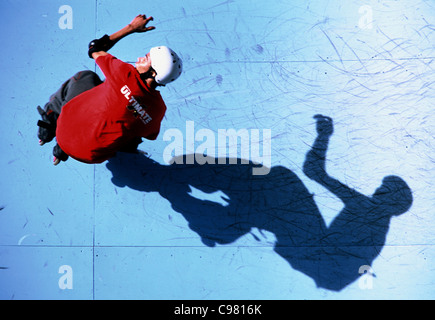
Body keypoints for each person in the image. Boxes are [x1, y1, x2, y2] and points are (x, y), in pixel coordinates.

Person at [37, 14, 182, 165]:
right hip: (90, 156)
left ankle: (49, 122)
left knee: (85, 76)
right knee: (134, 129)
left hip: (63, 132)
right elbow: (150, 134)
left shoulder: (124, 73)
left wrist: (131, 28)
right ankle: (61, 151)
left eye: (146, 59)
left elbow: (94, 47)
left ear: (153, 73)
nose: (140, 58)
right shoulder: (158, 109)